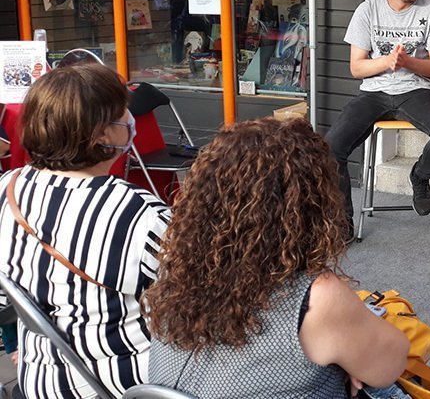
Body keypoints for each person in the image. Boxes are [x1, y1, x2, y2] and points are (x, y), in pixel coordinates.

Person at [146, 117, 410, 399]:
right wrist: (350, 357)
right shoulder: (316, 299)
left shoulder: (175, 273)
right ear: (311, 207)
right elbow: (389, 365)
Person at [0, 63, 171, 398]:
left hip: (40, 377)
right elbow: (194, 303)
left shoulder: (7, 188)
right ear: (102, 133)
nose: (131, 119)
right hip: (126, 385)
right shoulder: (139, 212)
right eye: (124, 112)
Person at [326, 0, 430, 228]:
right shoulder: (368, 10)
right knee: (331, 148)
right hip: (374, 93)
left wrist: (407, 62)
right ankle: (342, 225)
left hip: (417, 89)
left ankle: (420, 176)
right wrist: (389, 61)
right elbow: (357, 67)